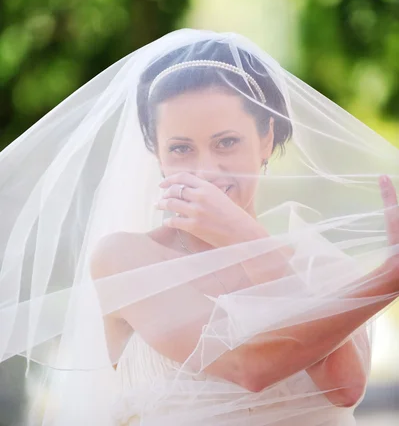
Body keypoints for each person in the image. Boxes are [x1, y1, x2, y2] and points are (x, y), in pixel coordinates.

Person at [0, 29, 398, 426]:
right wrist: (390, 278)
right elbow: (249, 369)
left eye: (226, 143)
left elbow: (344, 387)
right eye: (181, 148)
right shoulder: (127, 260)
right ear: (157, 153)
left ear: (265, 139)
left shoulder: (319, 263)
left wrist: (246, 240)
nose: (205, 169)